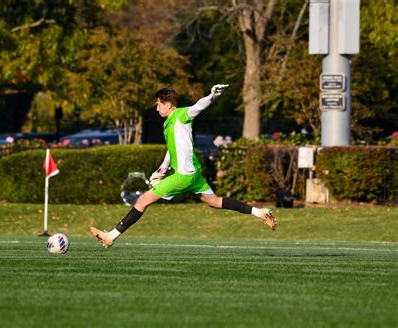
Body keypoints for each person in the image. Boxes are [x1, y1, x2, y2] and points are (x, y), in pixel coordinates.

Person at [90, 85, 276, 248]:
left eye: (158, 104)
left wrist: (212, 97)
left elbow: (196, 108)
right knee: (214, 202)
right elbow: (172, 150)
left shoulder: (180, 115)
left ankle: (111, 236)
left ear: (168, 104)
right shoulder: (168, 124)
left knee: (142, 200)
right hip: (194, 174)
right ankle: (260, 212)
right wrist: (162, 169)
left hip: (184, 176)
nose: (156, 108)